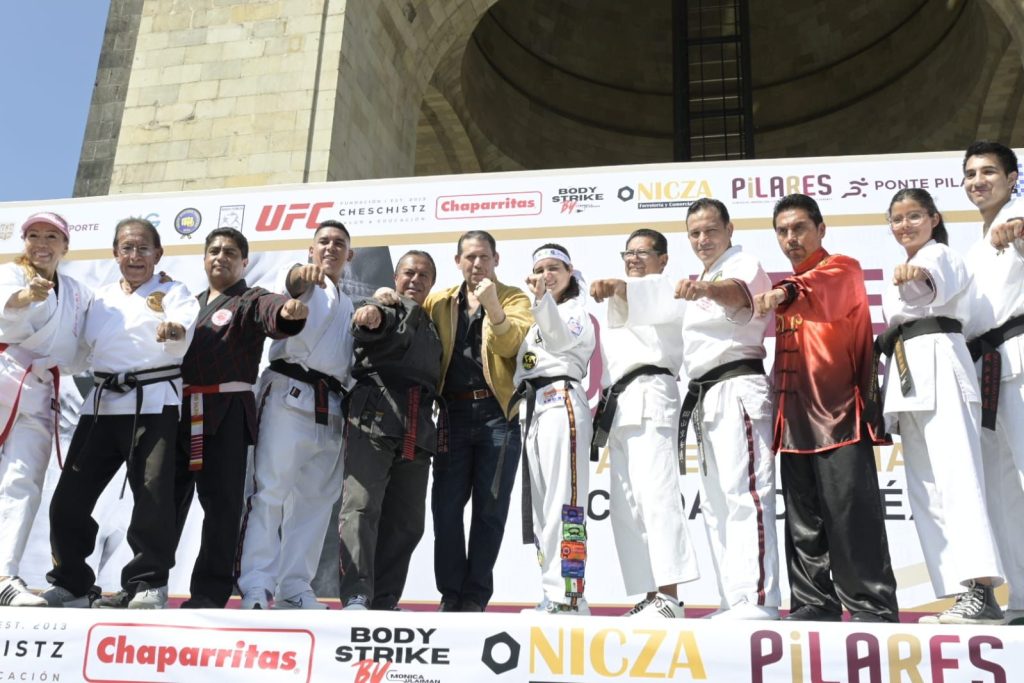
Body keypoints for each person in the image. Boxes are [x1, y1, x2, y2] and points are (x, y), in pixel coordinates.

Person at [753, 193, 898, 623]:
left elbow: (819, 289)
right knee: (803, 524)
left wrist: (782, 292)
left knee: (851, 516)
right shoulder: (786, 288)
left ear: (821, 229)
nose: (790, 238)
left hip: (840, 417)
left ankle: (871, 606)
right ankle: (814, 603)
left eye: (799, 228)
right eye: (782, 231)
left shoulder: (842, 270)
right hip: (794, 422)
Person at [43, 217, 199, 609]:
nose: (135, 255)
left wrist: (174, 332)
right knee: (69, 499)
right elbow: (77, 353)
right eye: (127, 248)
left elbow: (182, 329)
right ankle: (72, 581)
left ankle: (146, 583)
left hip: (154, 403)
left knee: (153, 497)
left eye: (143, 248)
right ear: (115, 254)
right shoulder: (100, 298)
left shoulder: (173, 291)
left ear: (158, 254)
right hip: (103, 405)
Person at [876, 188, 1003, 624]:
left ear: (933, 219)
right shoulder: (906, 267)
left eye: (914, 216)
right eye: (897, 219)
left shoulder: (941, 255)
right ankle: (960, 593)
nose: (905, 225)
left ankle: (982, 588)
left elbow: (927, 286)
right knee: (926, 488)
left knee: (958, 477)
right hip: (908, 368)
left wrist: (913, 274)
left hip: (941, 359)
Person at [172, 227, 308, 609]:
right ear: (204, 258)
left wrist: (288, 312)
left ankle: (209, 594)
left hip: (227, 414)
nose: (221, 256)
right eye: (214, 250)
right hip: (180, 412)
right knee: (162, 504)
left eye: (231, 252)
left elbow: (274, 312)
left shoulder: (251, 299)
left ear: (244, 262)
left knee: (222, 508)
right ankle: (148, 584)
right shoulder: (186, 304)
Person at [237, 220, 355, 609]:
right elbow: (289, 286)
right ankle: (256, 583)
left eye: (339, 244)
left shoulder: (349, 303)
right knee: (270, 490)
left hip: (332, 403)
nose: (330, 249)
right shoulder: (300, 278)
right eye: (323, 242)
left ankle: (294, 586)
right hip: (289, 392)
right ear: (310, 249)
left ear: (349, 255)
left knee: (317, 501)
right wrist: (297, 277)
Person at [673, 199, 780, 620]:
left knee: (746, 495)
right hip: (704, 394)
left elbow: (739, 297)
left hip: (738, 385)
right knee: (716, 504)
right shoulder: (703, 273)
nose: (702, 239)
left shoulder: (743, 264)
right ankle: (732, 599)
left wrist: (706, 289)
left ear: (729, 229)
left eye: (710, 230)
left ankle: (758, 599)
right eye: (695, 233)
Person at [590, 228, 698, 619]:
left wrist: (619, 286)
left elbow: (644, 296)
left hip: (652, 393)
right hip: (620, 404)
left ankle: (670, 596)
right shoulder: (623, 296)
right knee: (627, 505)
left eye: (643, 252)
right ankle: (652, 594)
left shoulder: (667, 288)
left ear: (663, 258)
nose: (634, 258)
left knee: (657, 497)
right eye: (628, 253)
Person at [424, 230, 531, 612]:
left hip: (497, 416)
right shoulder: (440, 301)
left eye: (484, 256)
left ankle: (474, 597)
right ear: (458, 262)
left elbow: (511, 345)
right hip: (452, 414)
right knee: (446, 509)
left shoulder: (514, 297)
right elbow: (413, 322)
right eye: (469, 257)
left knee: (491, 509)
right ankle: (450, 594)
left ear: (496, 259)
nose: (477, 264)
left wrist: (493, 308)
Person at [338, 250, 442, 611]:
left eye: (424, 275)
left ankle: (384, 599)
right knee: (361, 508)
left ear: (432, 284)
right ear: (396, 278)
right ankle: (356, 594)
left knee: (407, 522)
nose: (415, 280)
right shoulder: (385, 305)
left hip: (418, 424)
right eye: (408, 273)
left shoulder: (431, 323)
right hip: (375, 414)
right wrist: (371, 312)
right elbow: (368, 320)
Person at [0, 212, 91, 606]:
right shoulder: (12, 274)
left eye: (51, 236)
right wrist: (27, 296)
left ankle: (4, 574)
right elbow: (10, 302)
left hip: (38, 392)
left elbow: (83, 345)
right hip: (4, 374)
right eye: (33, 235)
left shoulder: (75, 292)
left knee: (23, 485)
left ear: (65, 245)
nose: (41, 242)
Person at [961, 140, 1024, 625]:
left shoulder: (1018, 219)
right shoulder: (971, 248)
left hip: (1020, 352)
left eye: (987, 172)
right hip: (985, 367)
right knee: (1000, 489)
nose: (977, 181)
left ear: (1012, 177)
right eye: (970, 174)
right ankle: (1020, 595)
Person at [514, 244, 595, 615]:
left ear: (569, 270)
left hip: (562, 399)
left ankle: (570, 595)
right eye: (541, 268)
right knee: (542, 510)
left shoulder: (576, 311)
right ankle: (552, 592)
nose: (547, 274)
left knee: (566, 504)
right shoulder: (537, 315)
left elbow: (561, 340)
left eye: (554, 267)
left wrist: (541, 298)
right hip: (533, 409)